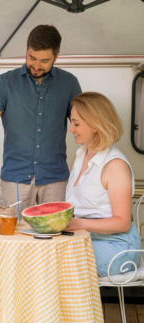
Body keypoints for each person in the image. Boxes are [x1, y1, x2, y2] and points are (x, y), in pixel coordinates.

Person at [0, 25, 82, 209]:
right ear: (26, 50)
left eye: (44, 61)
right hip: (15, 178)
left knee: (55, 235)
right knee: (11, 235)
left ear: (56, 56)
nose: (36, 65)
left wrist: (86, 163)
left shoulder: (70, 83)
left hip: (55, 178)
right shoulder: (4, 82)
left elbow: (83, 125)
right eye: (32, 58)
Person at [65, 92, 142, 277]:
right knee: (44, 255)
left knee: (56, 263)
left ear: (95, 125)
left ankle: (76, 307)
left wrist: (75, 223)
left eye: (76, 124)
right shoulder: (81, 154)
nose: (70, 129)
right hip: (87, 238)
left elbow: (123, 223)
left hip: (118, 246)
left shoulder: (115, 165)